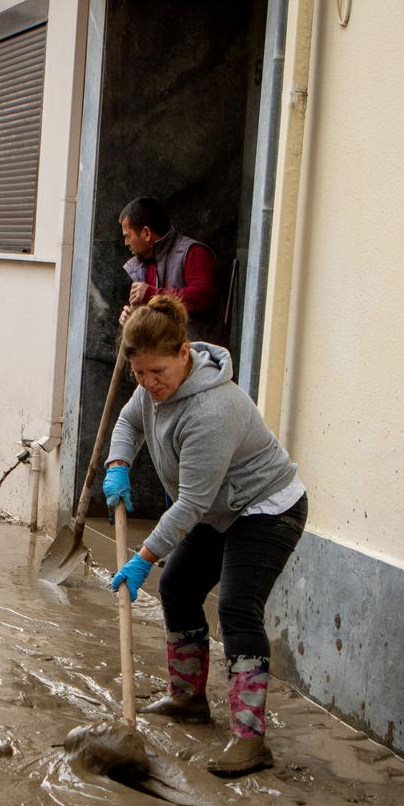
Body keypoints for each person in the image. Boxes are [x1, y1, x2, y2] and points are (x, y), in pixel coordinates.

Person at [103, 294, 308, 776]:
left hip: (265, 508)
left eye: (159, 372)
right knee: (178, 587)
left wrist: (144, 557)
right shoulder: (150, 389)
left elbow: (191, 503)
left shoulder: (214, 409)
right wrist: (118, 463)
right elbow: (130, 421)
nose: (151, 384)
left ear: (184, 353)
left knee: (237, 606)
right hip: (219, 509)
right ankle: (188, 698)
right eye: (140, 374)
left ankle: (249, 738)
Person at [119, 197, 221, 344]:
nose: (126, 243)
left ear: (146, 233)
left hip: (198, 358)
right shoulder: (143, 266)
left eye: (128, 236)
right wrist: (133, 319)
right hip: (161, 357)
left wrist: (152, 294)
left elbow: (203, 296)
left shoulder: (194, 252)